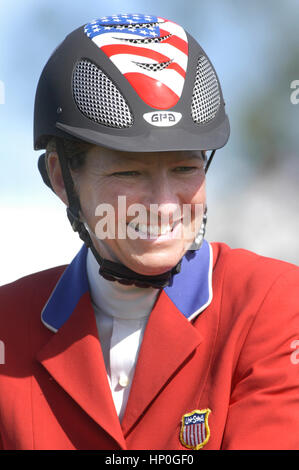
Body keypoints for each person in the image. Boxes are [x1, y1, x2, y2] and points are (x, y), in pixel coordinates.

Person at [0, 13, 298, 451]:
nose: (163, 205)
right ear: (62, 178)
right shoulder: (7, 326)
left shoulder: (274, 305)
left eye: (185, 168)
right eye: (129, 171)